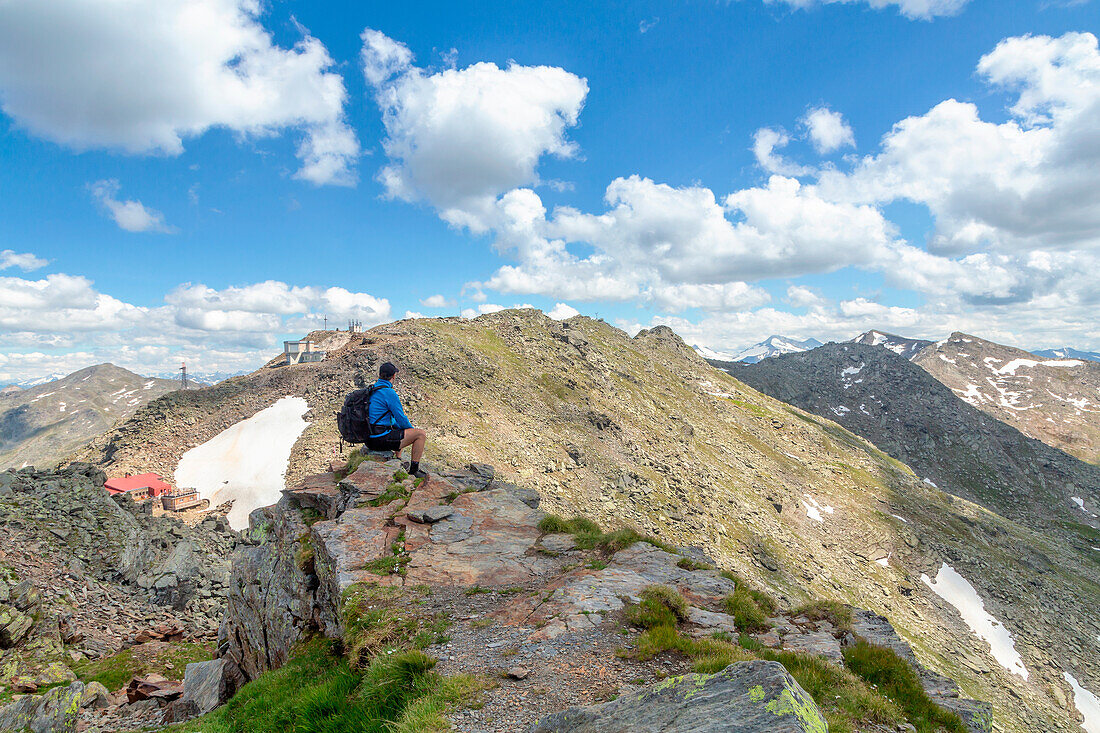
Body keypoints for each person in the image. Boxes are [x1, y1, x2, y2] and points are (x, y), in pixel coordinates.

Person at [366, 362, 428, 478]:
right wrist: (412, 431)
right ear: (393, 376)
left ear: (380, 375)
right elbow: (401, 418)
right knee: (420, 434)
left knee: (397, 427)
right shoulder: (389, 393)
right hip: (380, 440)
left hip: (369, 438)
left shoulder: (372, 389)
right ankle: (414, 470)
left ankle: (398, 459)